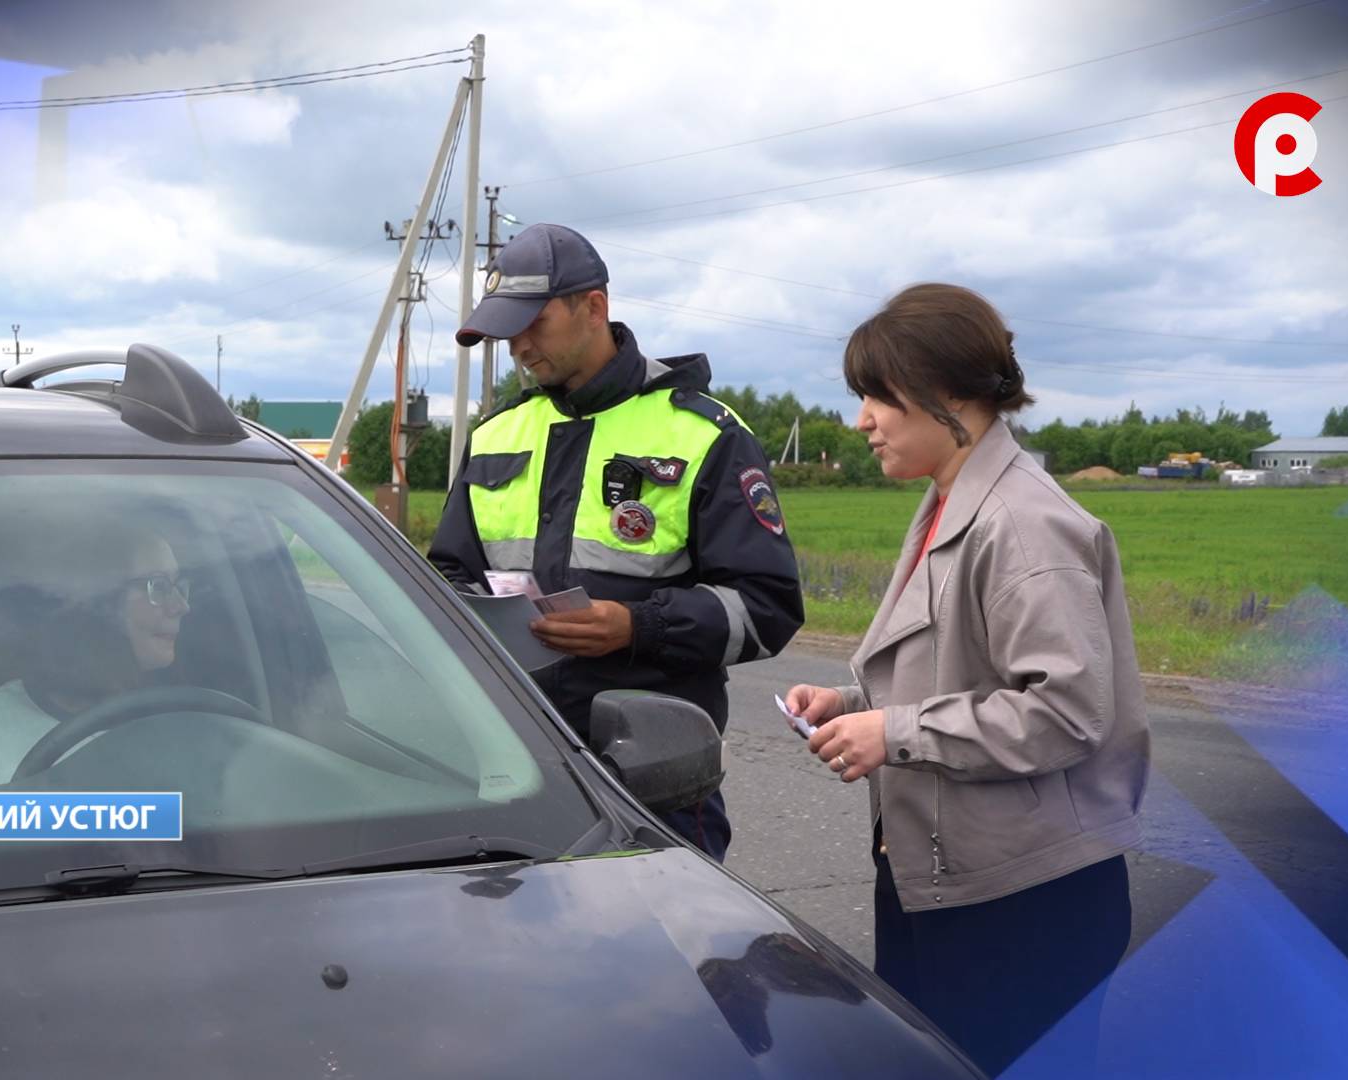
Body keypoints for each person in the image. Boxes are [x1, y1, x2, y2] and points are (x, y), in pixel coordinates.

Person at [782, 283, 1150, 1076]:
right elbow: (965, 671)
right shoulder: (951, 502)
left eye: (878, 396)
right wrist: (853, 707)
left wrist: (894, 732)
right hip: (949, 884)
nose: (862, 420)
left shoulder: (1023, 523)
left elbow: (1066, 710)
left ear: (947, 394)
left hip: (1024, 909)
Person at [432, 223, 805, 861]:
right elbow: (447, 578)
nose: (519, 347)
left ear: (594, 306)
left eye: (533, 323)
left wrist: (638, 626)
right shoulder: (495, 435)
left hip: (653, 782)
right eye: (506, 331)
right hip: (513, 767)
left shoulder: (705, 433)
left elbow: (767, 607)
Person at [0, 528, 189, 791]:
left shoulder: (187, 722)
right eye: (158, 586)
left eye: (179, 586)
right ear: (95, 604)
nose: (181, 606)